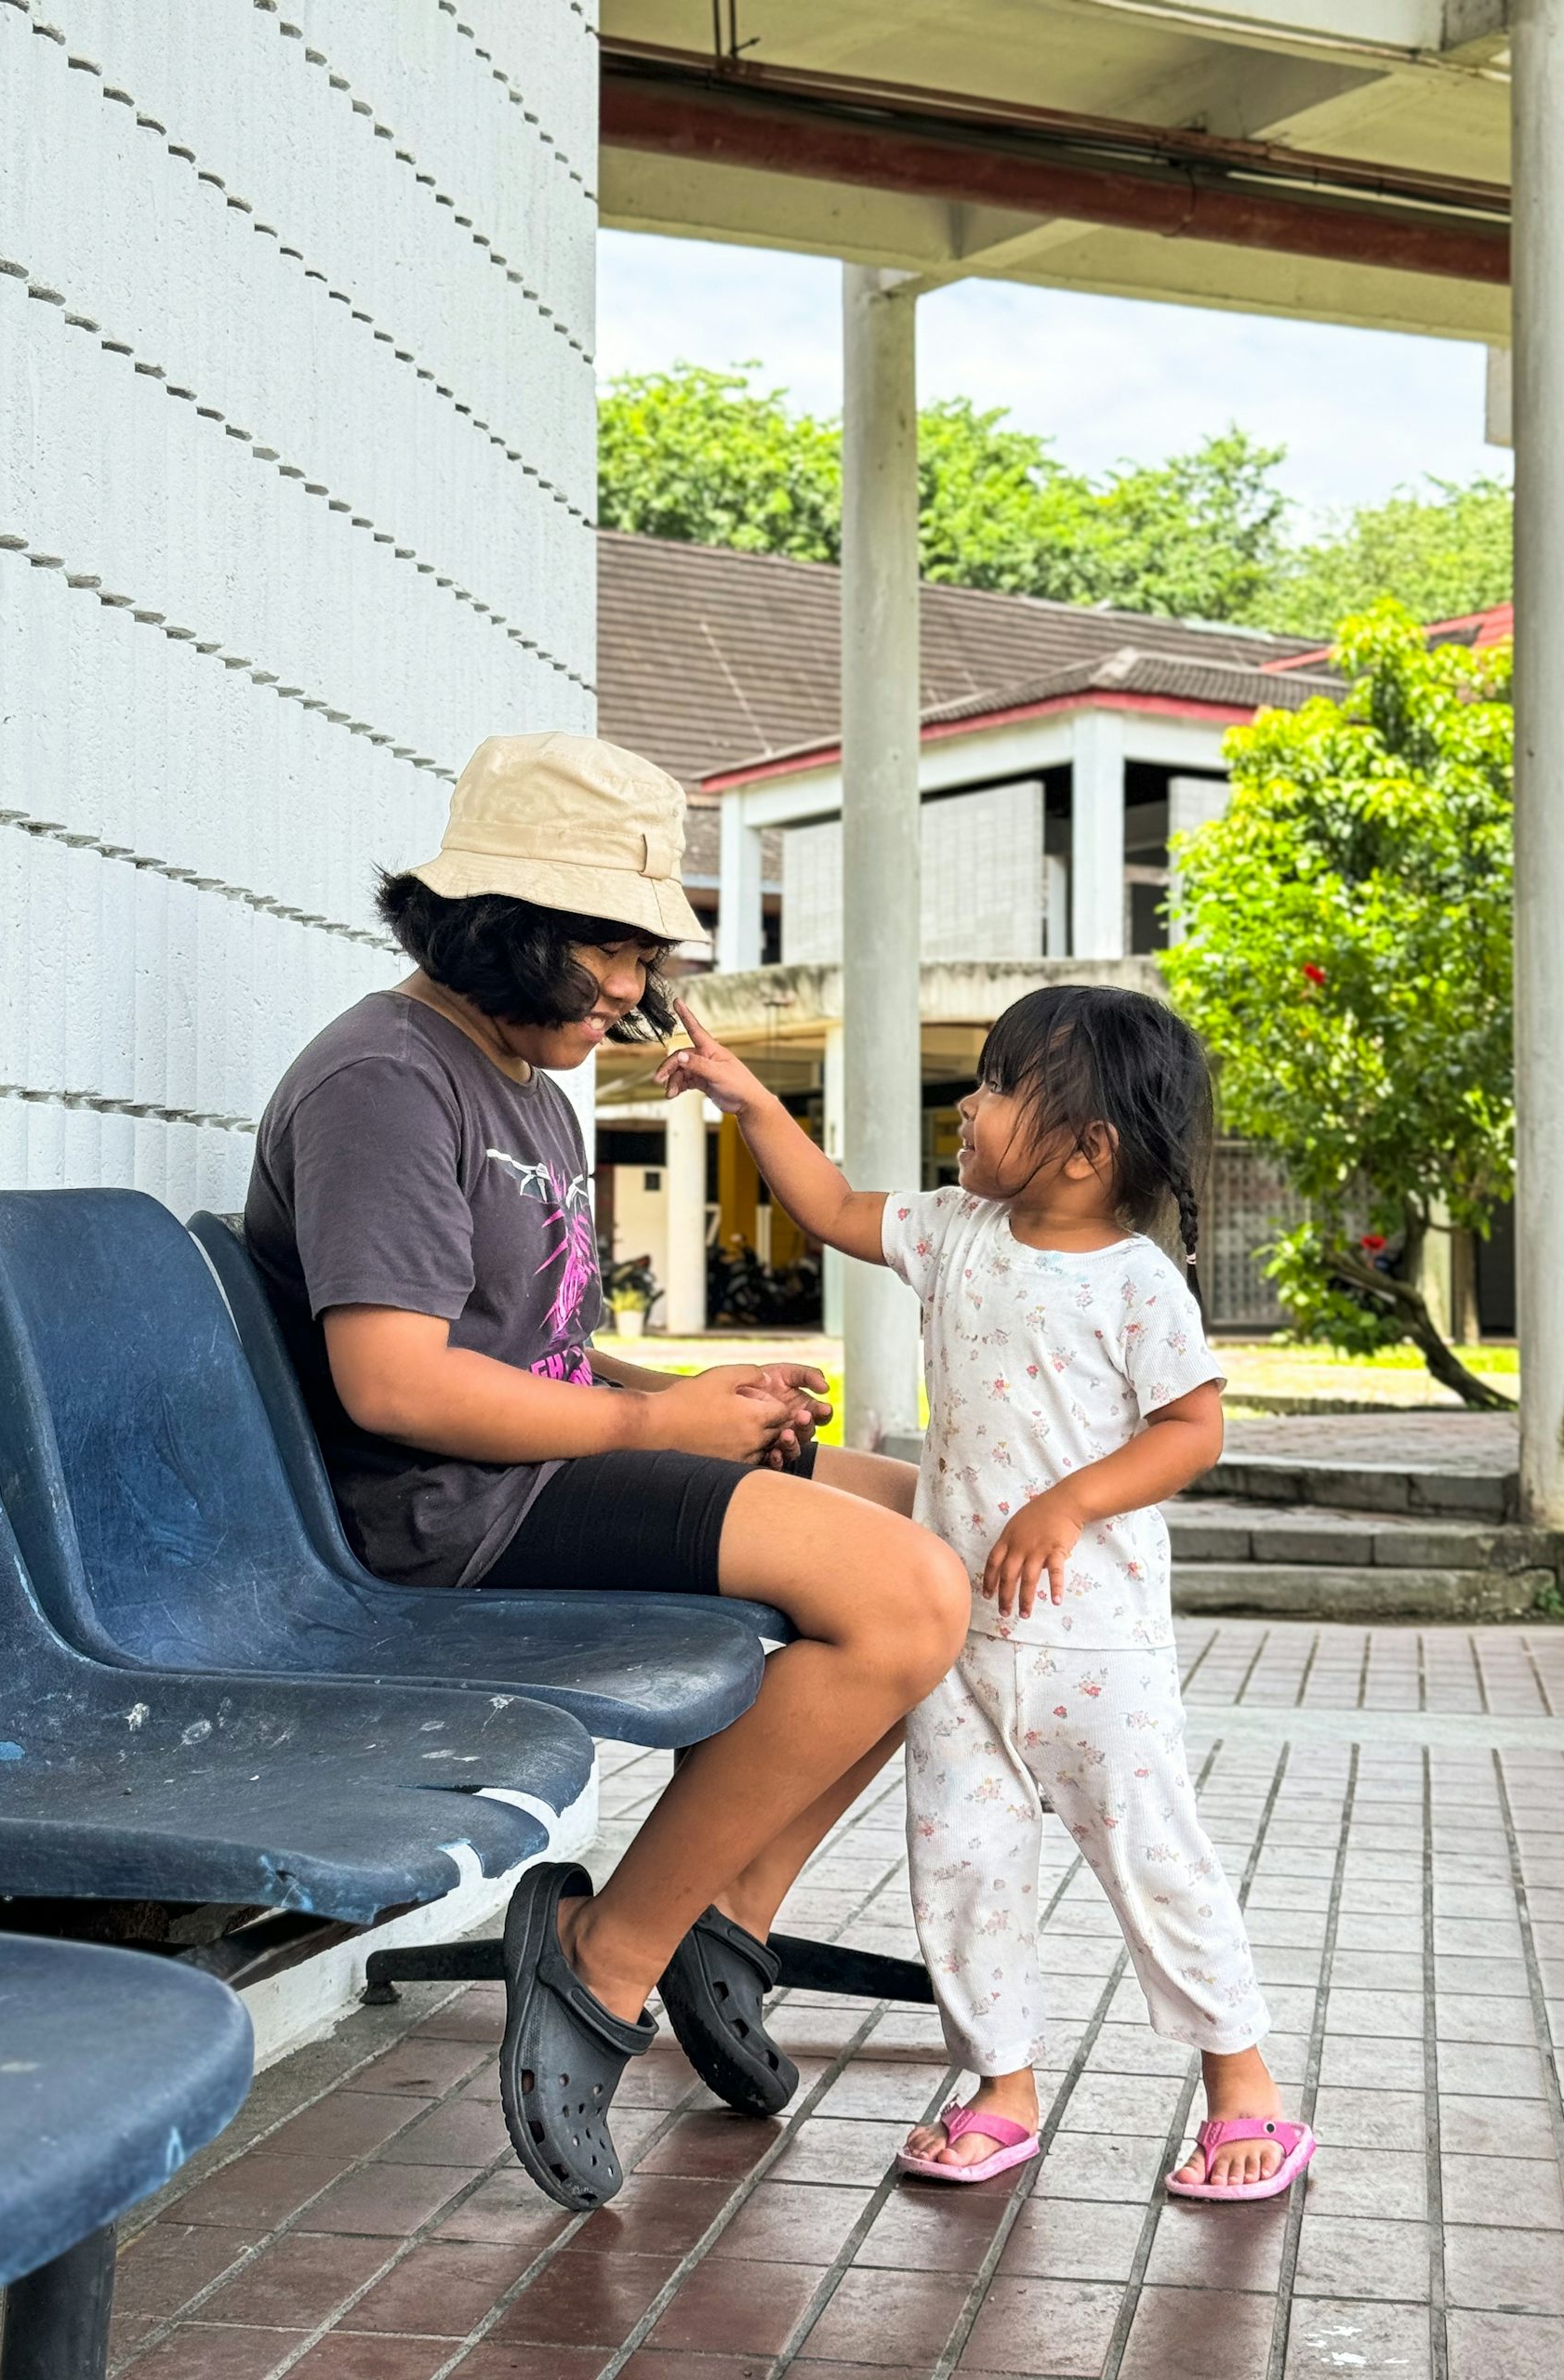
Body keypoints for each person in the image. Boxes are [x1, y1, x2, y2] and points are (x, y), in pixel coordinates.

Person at [244, 733, 969, 2211]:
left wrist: (691, 1396)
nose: (637, 990)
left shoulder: (523, 1080)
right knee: (901, 1591)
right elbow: (395, 1380)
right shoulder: (387, 1079)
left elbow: (536, 1352)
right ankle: (603, 1959)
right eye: (613, 951)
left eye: (644, 955)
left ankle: (726, 1913)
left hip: (530, 1474)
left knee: (949, 1527)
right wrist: (656, 1431)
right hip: (442, 1517)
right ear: (506, 928)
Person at [662, 983, 1314, 2202]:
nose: (970, 1104)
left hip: (1093, 1649)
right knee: (961, 1865)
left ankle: (1245, 2091)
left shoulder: (1133, 1284)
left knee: (1153, 1863)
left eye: (1003, 1087)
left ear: (1087, 1149)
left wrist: (1066, 1503)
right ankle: (998, 2084)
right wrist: (751, 1102)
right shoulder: (957, 1227)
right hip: (957, 1640)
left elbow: (1195, 1430)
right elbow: (834, 1206)